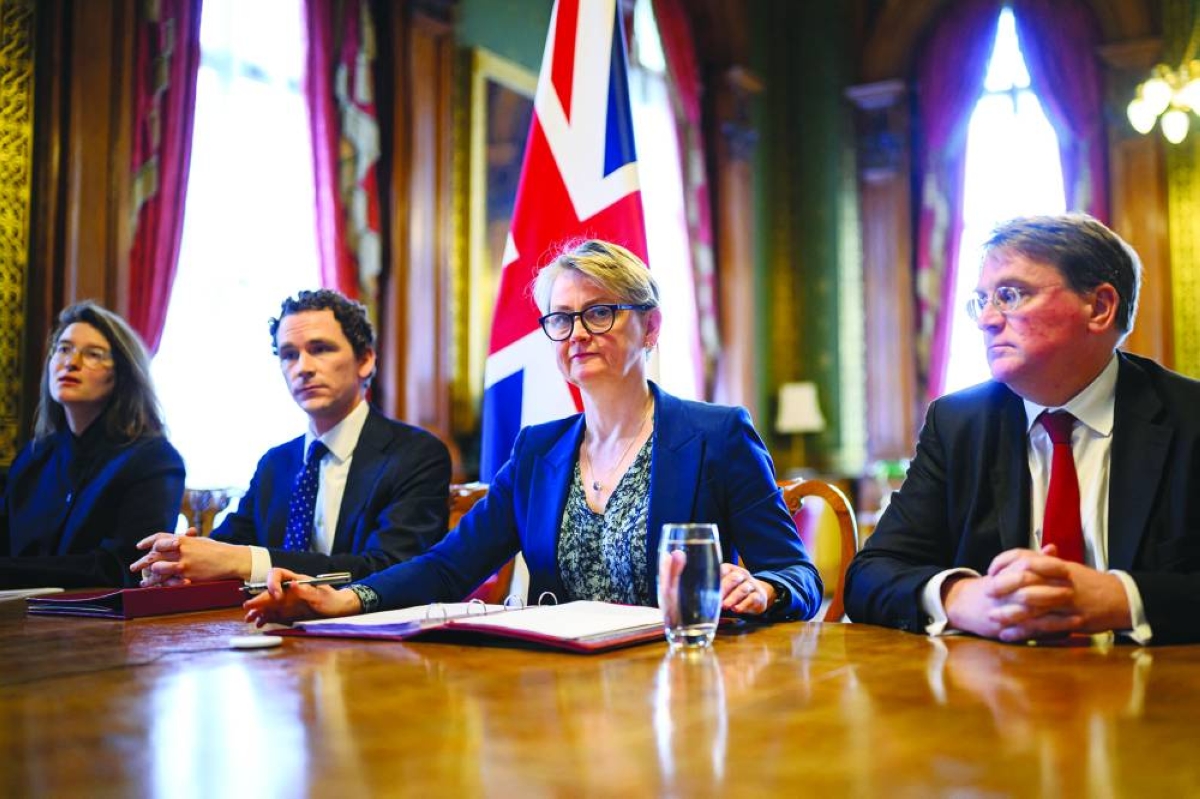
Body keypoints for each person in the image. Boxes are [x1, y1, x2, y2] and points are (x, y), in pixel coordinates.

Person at [245, 240, 822, 624]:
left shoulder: (716, 435)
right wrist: (346, 598)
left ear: (650, 328)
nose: (577, 333)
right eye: (561, 318)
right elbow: (449, 566)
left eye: (600, 312)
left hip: (682, 682)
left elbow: (798, 573)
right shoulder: (537, 450)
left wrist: (764, 589)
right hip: (561, 690)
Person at [845, 213, 1200, 645]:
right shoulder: (959, 423)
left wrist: (1120, 598)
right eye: (983, 300)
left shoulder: (1188, 418)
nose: (987, 320)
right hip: (999, 693)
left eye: (1011, 295)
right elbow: (870, 574)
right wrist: (963, 597)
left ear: (1100, 307)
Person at [132, 289, 451, 585]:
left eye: (320, 349)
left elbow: (390, 569)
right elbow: (229, 547)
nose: (303, 368)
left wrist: (246, 561)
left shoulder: (416, 454)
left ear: (365, 360)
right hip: (270, 632)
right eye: (289, 355)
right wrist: (179, 560)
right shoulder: (276, 462)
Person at [0, 301, 185, 588]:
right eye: (63, 349)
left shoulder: (154, 460)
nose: (71, 362)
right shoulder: (33, 457)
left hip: (103, 625)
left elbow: (124, 566)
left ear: (121, 375)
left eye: (93, 354)